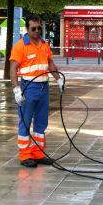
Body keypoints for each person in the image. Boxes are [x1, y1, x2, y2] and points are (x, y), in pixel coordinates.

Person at [10, 14, 65, 168]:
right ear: (27, 29)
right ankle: (25, 155)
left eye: (39, 28)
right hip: (28, 87)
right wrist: (16, 90)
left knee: (41, 122)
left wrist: (58, 79)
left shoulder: (43, 44)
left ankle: (38, 153)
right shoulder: (20, 46)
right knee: (26, 121)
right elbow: (13, 69)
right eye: (33, 28)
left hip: (43, 87)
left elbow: (50, 63)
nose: (36, 31)